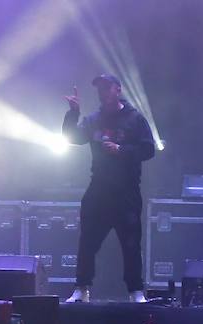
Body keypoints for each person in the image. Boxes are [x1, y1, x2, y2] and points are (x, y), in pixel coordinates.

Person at [61, 74, 157, 304]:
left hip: (126, 192)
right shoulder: (94, 119)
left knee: (131, 244)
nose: (102, 92)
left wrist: (121, 150)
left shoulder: (134, 119)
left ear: (118, 90)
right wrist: (73, 112)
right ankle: (81, 288)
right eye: (99, 89)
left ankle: (136, 291)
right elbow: (71, 137)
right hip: (99, 190)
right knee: (87, 242)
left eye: (107, 88)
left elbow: (149, 149)